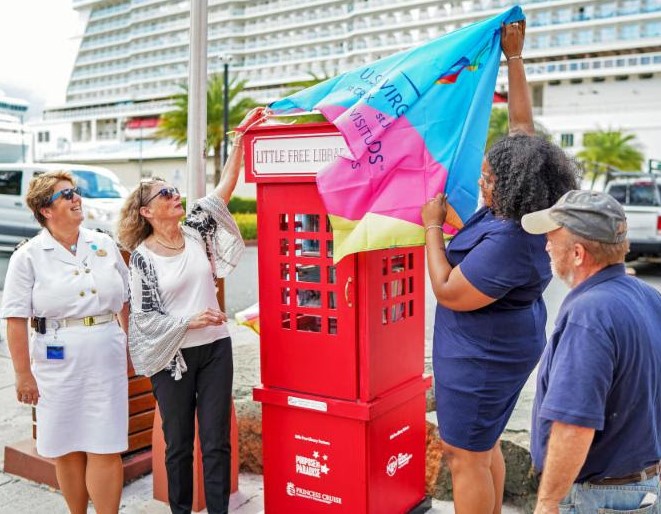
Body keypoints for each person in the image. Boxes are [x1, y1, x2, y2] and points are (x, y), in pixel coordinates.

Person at [420, 21, 579, 514]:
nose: (482, 183)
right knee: (483, 443)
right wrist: (514, 58)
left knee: (463, 454)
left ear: (511, 184)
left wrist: (432, 227)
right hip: (504, 340)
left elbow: (447, 290)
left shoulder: (512, 237)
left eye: (488, 179)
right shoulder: (529, 205)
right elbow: (523, 134)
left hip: (481, 355)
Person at [117, 107, 265, 514]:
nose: (176, 196)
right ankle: (181, 510)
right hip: (173, 358)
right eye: (165, 194)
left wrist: (241, 140)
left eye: (175, 190)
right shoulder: (143, 259)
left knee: (216, 439)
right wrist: (188, 320)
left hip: (216, 347)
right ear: (146, 211)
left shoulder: (197, 228)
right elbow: (145, 320)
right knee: (179, 442)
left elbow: (224, 188)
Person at [521, 190, 661, 514]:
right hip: (641, 489)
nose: (546, 246)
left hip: (596, 498)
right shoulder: (648, 298)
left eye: (552, 239)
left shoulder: (589, 314)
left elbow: (573, 425)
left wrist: (547, 502)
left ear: (578, 253)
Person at [1, 171, 130, 514]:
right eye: (66, 194)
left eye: (76, 193)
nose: (77, 199)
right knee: (67, 445)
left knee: (106, 444)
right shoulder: (27, 256)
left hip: (106, 354)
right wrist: (23, 374)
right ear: (46, 210)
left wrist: (130, 345)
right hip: (55, 360)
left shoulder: (103, 243)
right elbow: (15, 319)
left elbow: (127, 300)